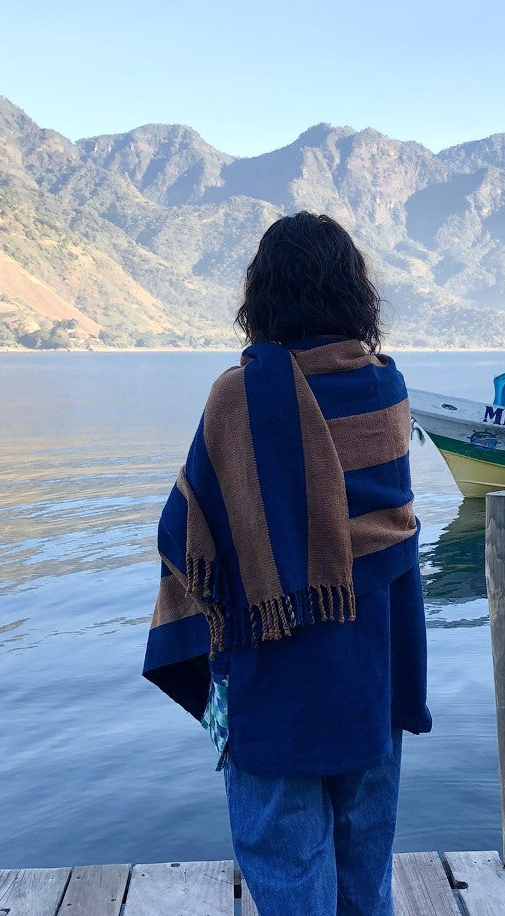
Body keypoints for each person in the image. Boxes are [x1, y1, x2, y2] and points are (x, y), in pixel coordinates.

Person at [143, 212, 431, 916]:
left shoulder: (238, 399)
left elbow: (187, 537)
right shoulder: (385, 391)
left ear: (262, 294)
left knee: (286, 869)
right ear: (353, 292)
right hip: (372, 675)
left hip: (276, 679)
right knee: (366, 873)